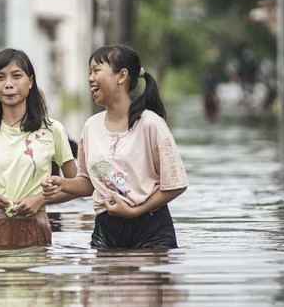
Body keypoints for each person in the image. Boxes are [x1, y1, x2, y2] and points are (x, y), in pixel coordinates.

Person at [42, 44, 188, 249]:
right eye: (89, 72)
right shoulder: (91, 126)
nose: (90, 78)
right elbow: (88, 182)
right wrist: (62, 183)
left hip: (150, 227)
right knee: (101, 281)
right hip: (106, 228)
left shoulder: (150, 124)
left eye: (96, 70)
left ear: (122, 76)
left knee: (148, 281)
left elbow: (176, 184)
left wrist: (135, 211)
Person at [0, 48, 78, 246]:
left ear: (30, 81)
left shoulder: (53, 130)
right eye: (0, 77)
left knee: (35, 276)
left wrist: (40, 199)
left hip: (35, 228)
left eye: (16, 76)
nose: (8, 84)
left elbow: (76, 185)